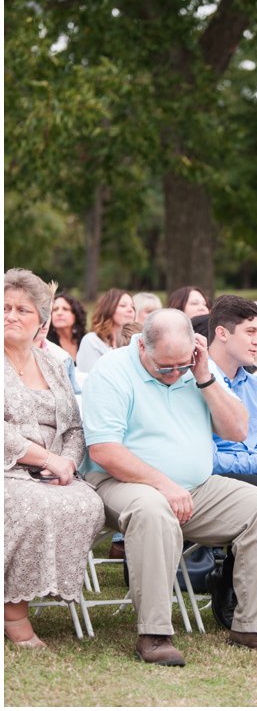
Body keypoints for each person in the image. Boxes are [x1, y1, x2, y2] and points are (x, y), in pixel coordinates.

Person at [81, 308, 257, 666]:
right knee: (152, 511)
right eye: (163, 366)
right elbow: (104, 450)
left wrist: (203, 378)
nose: (173, 374)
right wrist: (163, 485)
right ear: (142, 347)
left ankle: (255, 626)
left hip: (195, 487)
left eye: (180, 365)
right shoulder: (112, 371)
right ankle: (154, 635)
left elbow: (237, 431)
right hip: (121, 483)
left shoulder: (198, 369)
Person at [4, 269, 105, 648]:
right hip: (7, 468)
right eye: (4, 308)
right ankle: (13, 613)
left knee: (88, 504)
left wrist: (66, 463)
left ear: (41, 322)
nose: (11, 316)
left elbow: (75, 427)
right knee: (30, 507)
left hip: (53, 471)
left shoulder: (53, 365)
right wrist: (46, 458)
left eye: (22, 310)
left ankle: (39, 587)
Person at [76, 288, 136, 373]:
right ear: (108, 309)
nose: (130, 310)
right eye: (123, 305)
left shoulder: (135, 342)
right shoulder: (92, 341)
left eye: (132, 307)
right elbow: (90, 378)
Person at [46, 291, 87, 363]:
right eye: (55, 309)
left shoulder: (85, 340)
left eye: (65, 309)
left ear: (75, 315)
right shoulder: (46, 343)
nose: (59, 313)